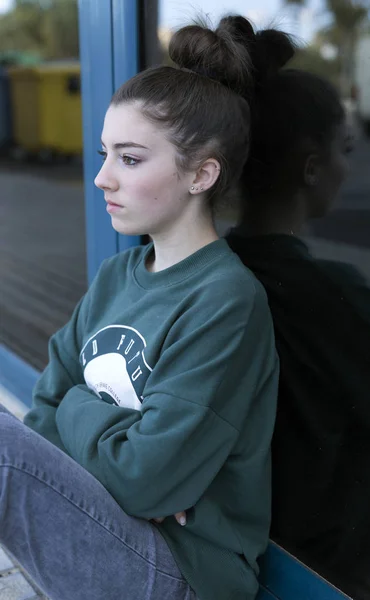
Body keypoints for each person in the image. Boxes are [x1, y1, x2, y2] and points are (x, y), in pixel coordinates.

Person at [0, 17, 279, 600]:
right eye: (105, 155)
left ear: (202, 173)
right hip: (113, 525)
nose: (102, 178)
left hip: (186, 571)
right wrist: (123, 457)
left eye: (129, 159)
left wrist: (87, 418)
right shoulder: (114, 278)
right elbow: (44, 413)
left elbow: (143, 476)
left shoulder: (225, 301)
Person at [224, 23, 370, 600]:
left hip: (255, 532)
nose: (350, 168)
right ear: (310, 167)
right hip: (330, 551)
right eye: (344, 151)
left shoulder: (209, 274)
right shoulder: (333, 297)